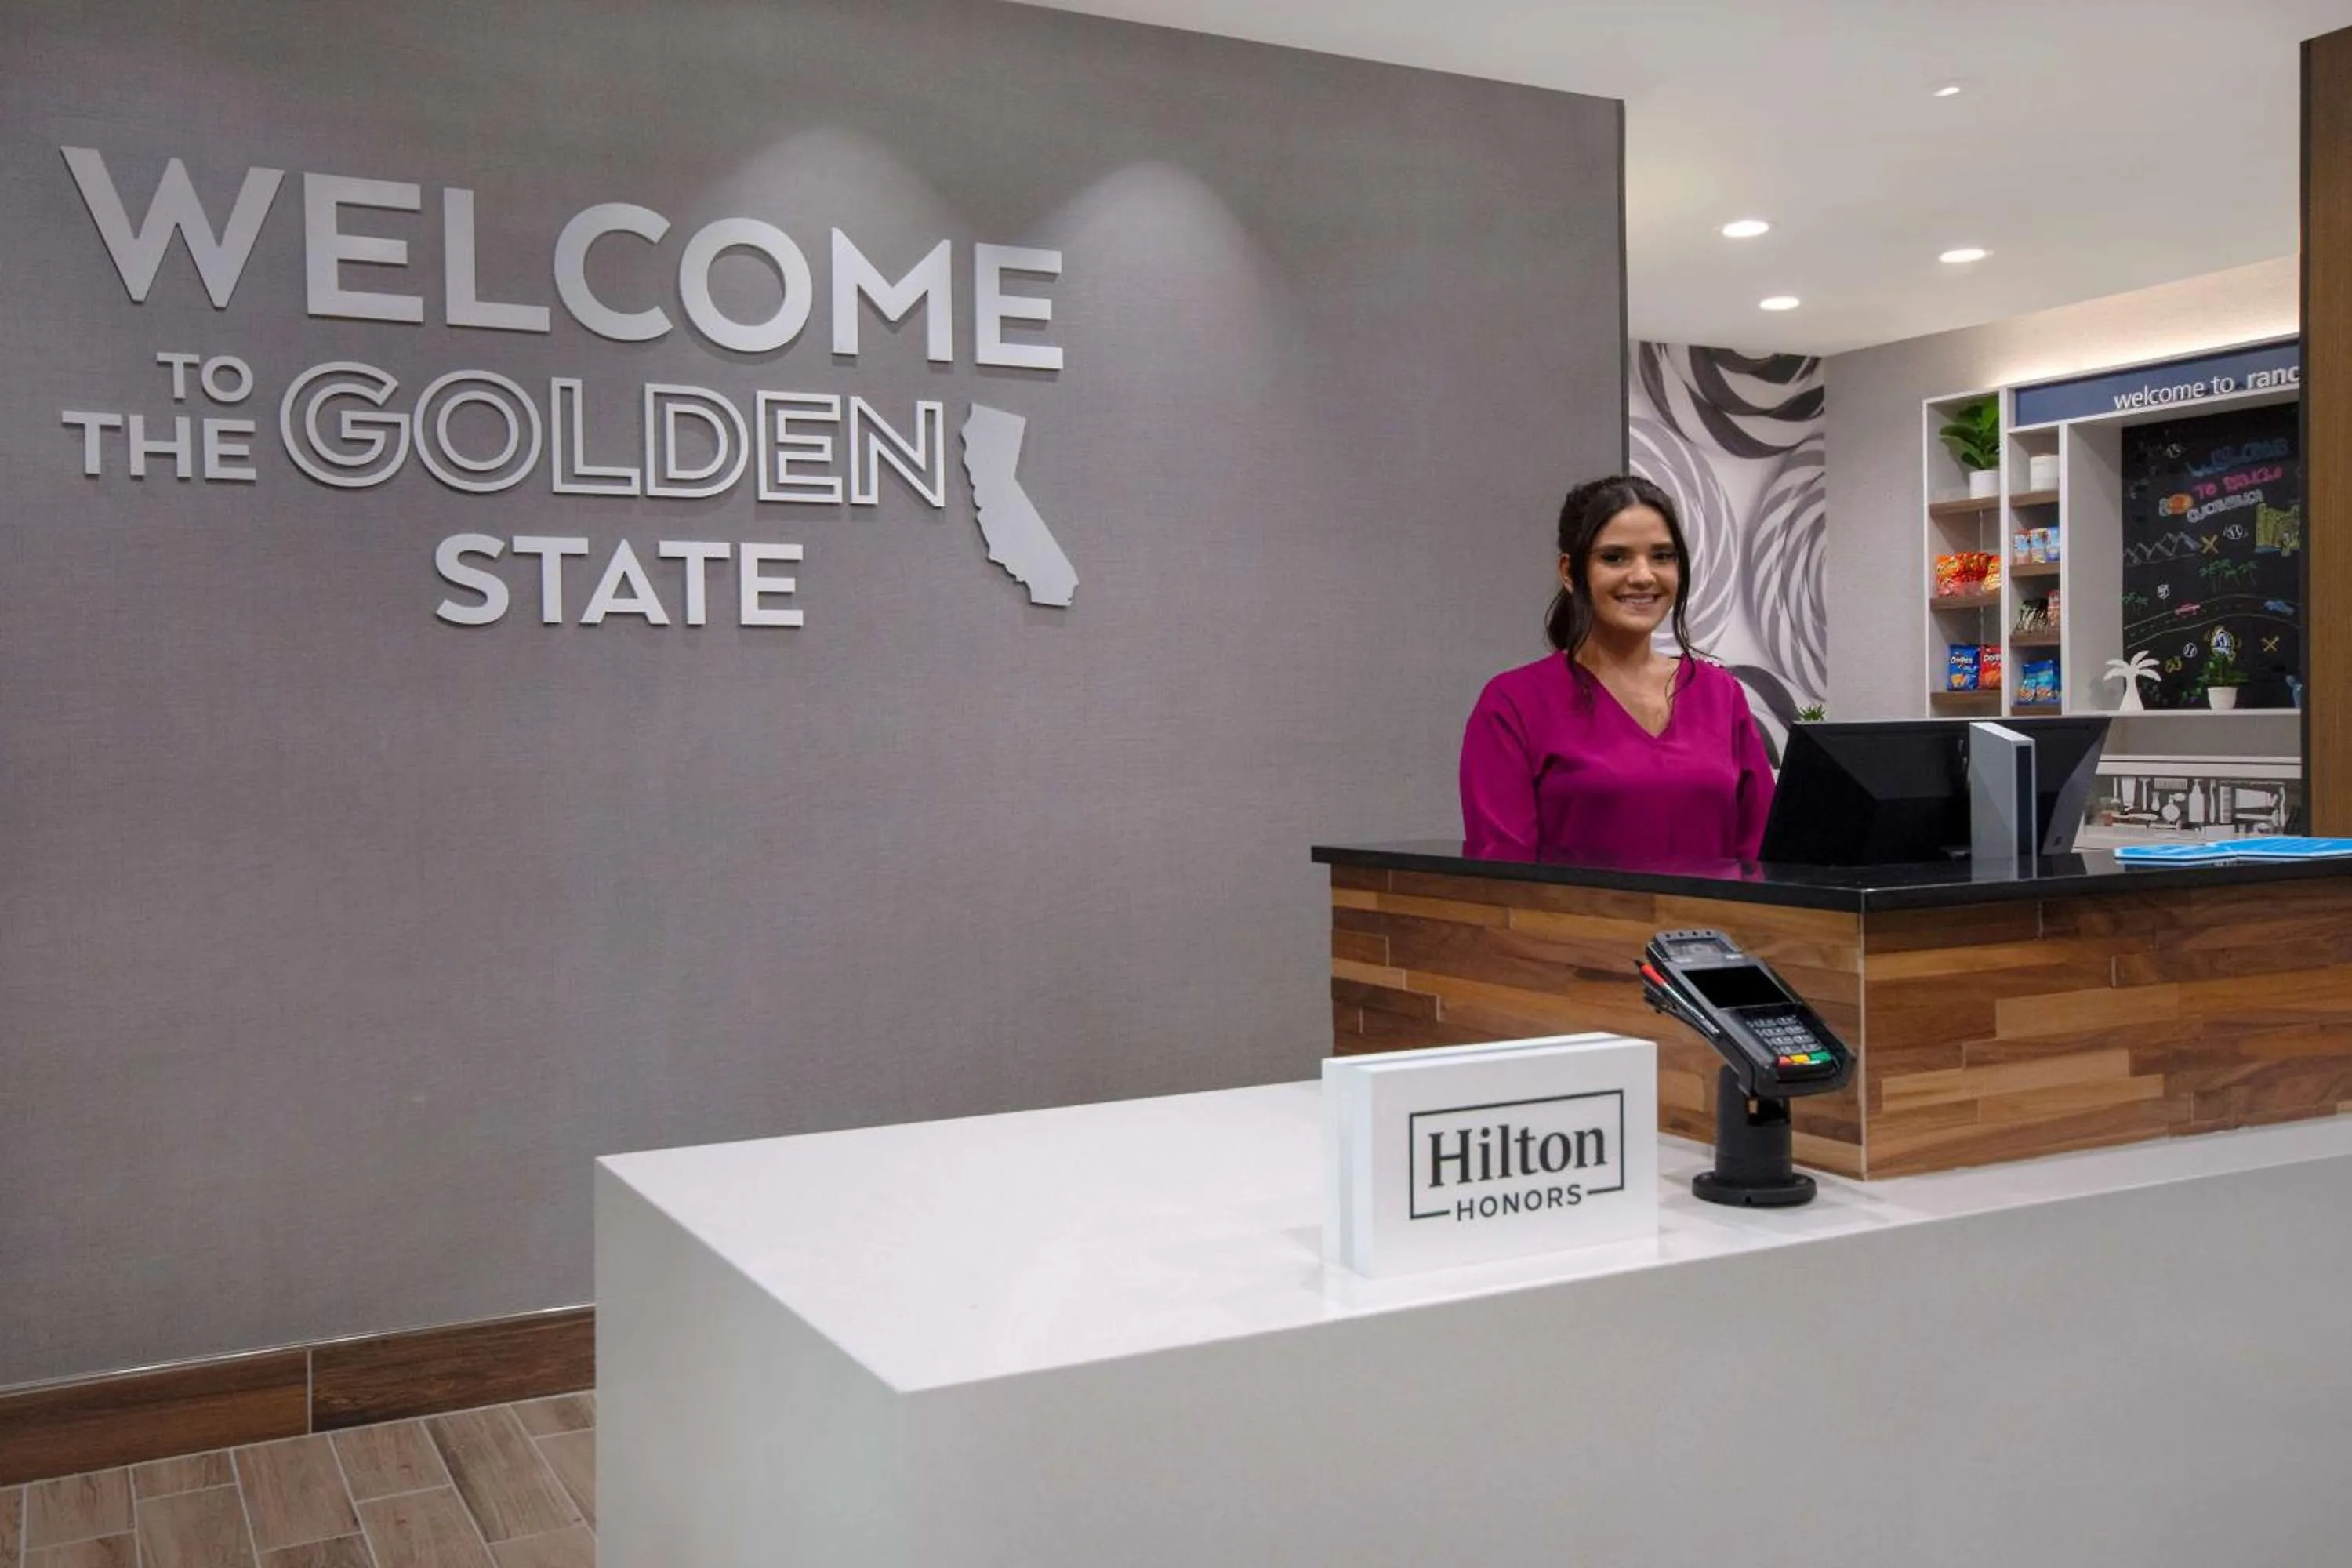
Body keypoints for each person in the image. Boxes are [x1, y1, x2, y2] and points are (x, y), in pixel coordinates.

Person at [1459, 474, 1773, 862]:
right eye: (1614, 557)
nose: (1643, 576)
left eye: (1662, 556)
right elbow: (1502, 874)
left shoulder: (1720, 694)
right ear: (1569, 572)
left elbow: (1763, 855)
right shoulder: (1512, 704)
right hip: (1569, 923)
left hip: (1716, 925)